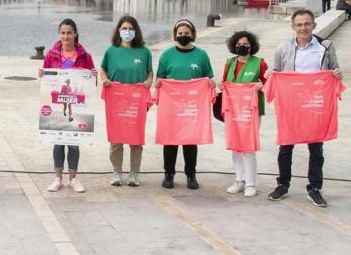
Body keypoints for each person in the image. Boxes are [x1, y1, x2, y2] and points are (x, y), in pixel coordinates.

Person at [268, 9, 343, 207]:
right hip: (291, 104)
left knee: (316, 149)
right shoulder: (283, 47)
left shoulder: (325, 46)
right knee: (285, 147)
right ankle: (283, 184)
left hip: (315, 104)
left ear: (314, 25)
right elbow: (276, 72)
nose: (303, 27)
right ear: (293, 27)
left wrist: (337, 74)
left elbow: (334, 70)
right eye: (299, 24)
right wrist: (272, 76)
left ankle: (314, 188)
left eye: (307, 23)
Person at [155, 18, 214, 190]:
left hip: (192, 105)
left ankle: (191, 174)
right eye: (180, 33)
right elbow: (160, 77)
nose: (183, 36)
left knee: (190, 139)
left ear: (192, 34)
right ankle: (169, 174)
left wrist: (210, 83)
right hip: (172, 104)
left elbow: (208, 76)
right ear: (175, 35)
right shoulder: (167, 55)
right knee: (170, 139)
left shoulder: (201, 55)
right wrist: (159, 84)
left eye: (186, 33)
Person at [40, 19, 95, 193]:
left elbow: (91, 84)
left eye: (69, 32)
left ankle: (73, 179)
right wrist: (42, 75)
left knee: (73, 142)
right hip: (56, 105)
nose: (66, 36)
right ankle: (58, 178)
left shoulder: (85, 56)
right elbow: (46, 81)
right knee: (57, 141)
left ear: (75, 34)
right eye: (63, 33)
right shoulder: (51, 55)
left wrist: (93, 75)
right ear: (59, 34)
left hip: (77, 105)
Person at [99, 15, 153, 187]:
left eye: (130, 29)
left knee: (136, 138)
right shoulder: (111, 51)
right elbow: (102, 69)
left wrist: (149, 81)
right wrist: (105, 79)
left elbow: (150, 71)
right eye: (124, 28)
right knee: (116, 138)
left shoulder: (144, 52)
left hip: (137, 100)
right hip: (117, 100)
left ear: (135, 31)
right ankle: (116, 172)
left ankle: (134, 174)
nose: (127, 31)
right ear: (118, 30)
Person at [217, 30, 268, 198]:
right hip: (233, 110)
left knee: (248, 146)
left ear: (252, 46)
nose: (242, 47)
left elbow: (269, 83)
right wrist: (221, 86)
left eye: (245, 44)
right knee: (235, 146)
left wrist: (261, 85)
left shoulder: (259, 62)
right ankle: (239, 180)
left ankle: (251, 183)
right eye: (238, 44)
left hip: (251, 110)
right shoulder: (230, 62)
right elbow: (224, 82)